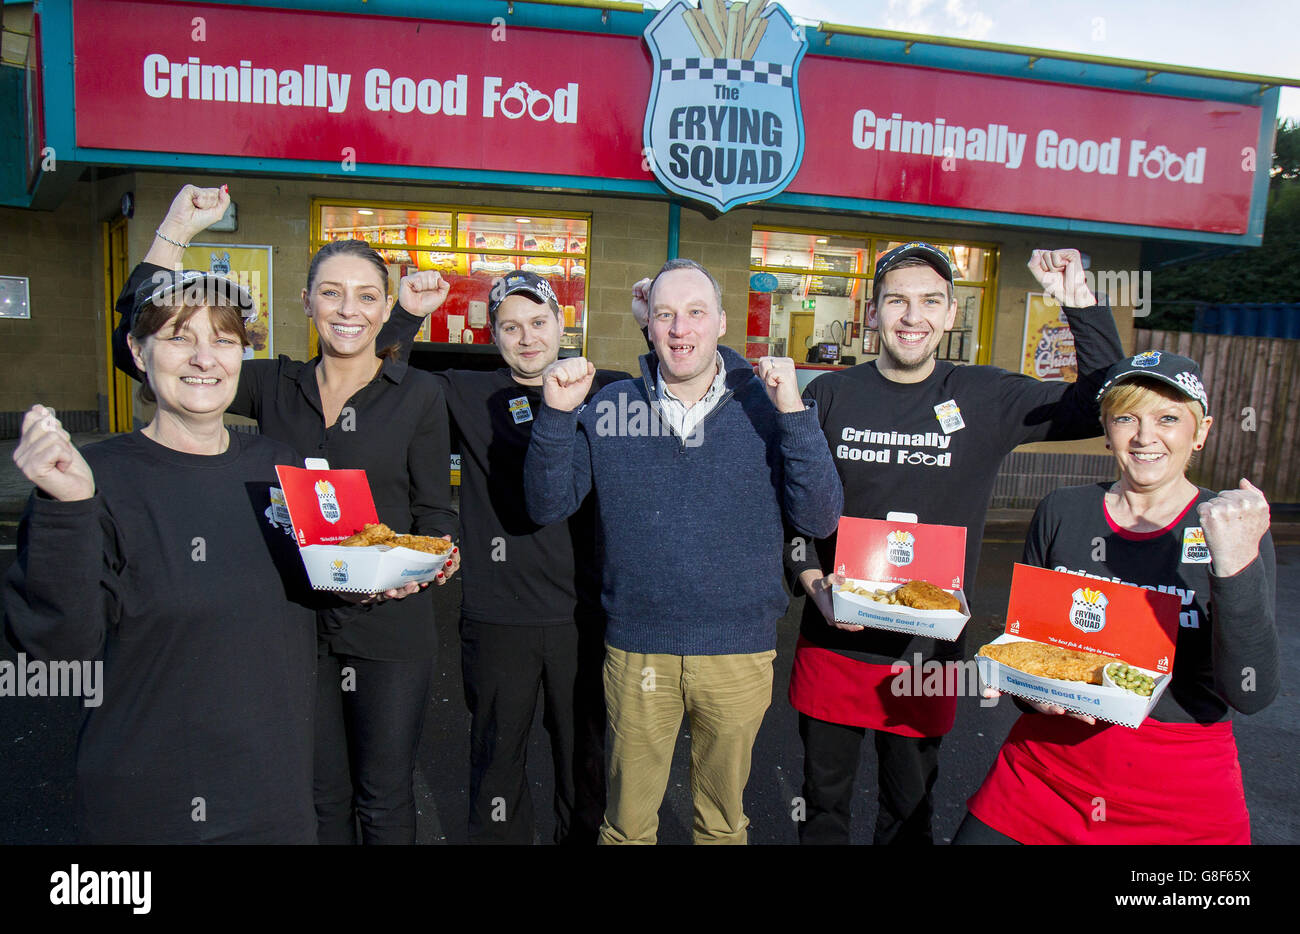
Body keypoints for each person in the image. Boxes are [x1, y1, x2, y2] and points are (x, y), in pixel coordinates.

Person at [112, 184, 460, 845]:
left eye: (364, 295)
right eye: (331, 292)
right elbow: (140, 348)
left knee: (383, 803)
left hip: (390, 630)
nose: (347, 309)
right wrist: (174, 233)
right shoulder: (273, 384)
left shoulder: (418, 395)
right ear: (306, 302)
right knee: (319, 800)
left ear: (385, 308)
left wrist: (436, 555)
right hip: (296, 629)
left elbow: (436, 509)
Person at [784, 242, 1123, 844]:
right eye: (897, 301)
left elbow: (1102, 404)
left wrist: (1077, 300)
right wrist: (812, 584)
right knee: (822, 807)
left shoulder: (984, 396)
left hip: (926, 655)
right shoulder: (830, 396)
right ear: (872, 312)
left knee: (909, 812)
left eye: (929, 302)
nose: (912, 316)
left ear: (949, 314)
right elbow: (793, 509)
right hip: (834, 641)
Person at [525, 257, 843, 844]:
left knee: (722, 825)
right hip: (636, 649)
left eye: (696, 313)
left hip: (737, 652)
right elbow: (547, 504)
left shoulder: (769, 406)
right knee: (625, 826)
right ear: (647, 323)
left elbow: (820, 516)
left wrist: (795, 414)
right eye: (666, 314)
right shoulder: (610, 405)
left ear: (722, 321)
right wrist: (554, 418)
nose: (680, 329)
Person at [4, 272, 317, 843]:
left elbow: (308, 601)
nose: (205, 358)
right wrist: (67, 508)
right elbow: (57, 649)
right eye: (178, 336)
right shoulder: (93, 479)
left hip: (276, 794)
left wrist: (373, 582)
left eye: (224, 340)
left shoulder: (278, 464)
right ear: (137, 351)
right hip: (152, 802)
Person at [957, 351, 1277, 843]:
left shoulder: (1226, 524)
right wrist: (1030, 693)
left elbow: (1251, 694)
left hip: (1177, 788)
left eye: (1168, 419)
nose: (1146, 437)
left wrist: (1233, 565)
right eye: (1126, 417)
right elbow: (1027, 645)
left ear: (1201, 432)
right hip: (1044, 771)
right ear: (1106, 429)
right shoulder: (1064, 510)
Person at [389, 269, 630, 844]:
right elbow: (379, 375)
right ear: (493, 335)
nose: (527, 338)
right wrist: (406, 315)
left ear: (561, 323)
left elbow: (684, 381)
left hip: (584, 616)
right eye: (510, 327)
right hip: (499, 617)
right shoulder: (468, 393)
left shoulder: (608, 389)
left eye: (538, 322)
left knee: (586, 763)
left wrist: (652, 327)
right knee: (497, 763)